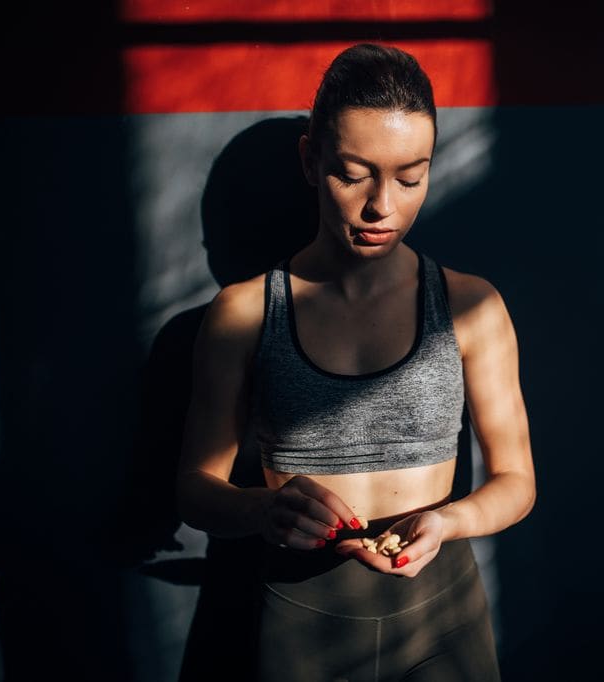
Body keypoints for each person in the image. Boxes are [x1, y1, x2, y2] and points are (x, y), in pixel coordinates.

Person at [176, 43, 535, 681]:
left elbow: (517, 481)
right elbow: (194, 490)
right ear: (312, 161)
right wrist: (263, 509)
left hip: (441, 614)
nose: (382, 207)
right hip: (299, 617)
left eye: (410, 176)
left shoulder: (470, 305)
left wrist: (449, 520)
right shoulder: (244, 313)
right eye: (353, 173)